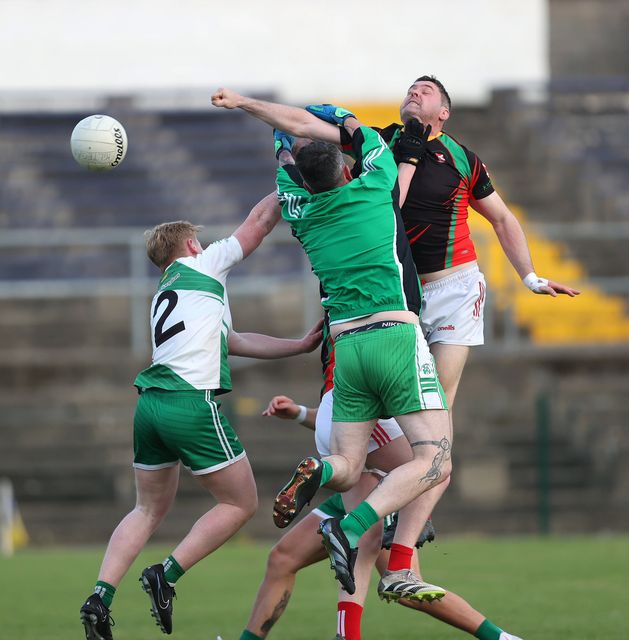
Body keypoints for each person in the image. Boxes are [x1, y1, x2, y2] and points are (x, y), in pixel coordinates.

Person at [212, 88, 451, 601]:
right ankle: (352, 527)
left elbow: (283, 154)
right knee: (436, 461)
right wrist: (303, 110)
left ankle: (319, 470)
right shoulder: (376, 179)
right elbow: (344, 122)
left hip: (346, 350)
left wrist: (266, 122)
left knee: (345, 469)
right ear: (345, 170)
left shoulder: (298, 209)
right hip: (394, 334)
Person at [79, 192, 323, 640]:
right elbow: (257, 222)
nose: (205, 244)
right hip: (190, 402)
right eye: (199, 240)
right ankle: (166, 575)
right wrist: (289, 180)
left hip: (150, 404)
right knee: (241, 503)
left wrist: (297, 345)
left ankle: (100, 596)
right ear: (191, 246)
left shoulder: (169, 290)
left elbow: (232, 341)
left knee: (147, 507)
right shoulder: (204, 265)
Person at [235, 393, 522, 640]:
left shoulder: (350, 347)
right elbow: (340, 422)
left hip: (377, 489)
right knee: (283, 558)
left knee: (398, 580)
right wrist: (298, 413)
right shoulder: (344, 362)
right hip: (354, 486)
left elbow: (370, 425)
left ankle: (499, 636)